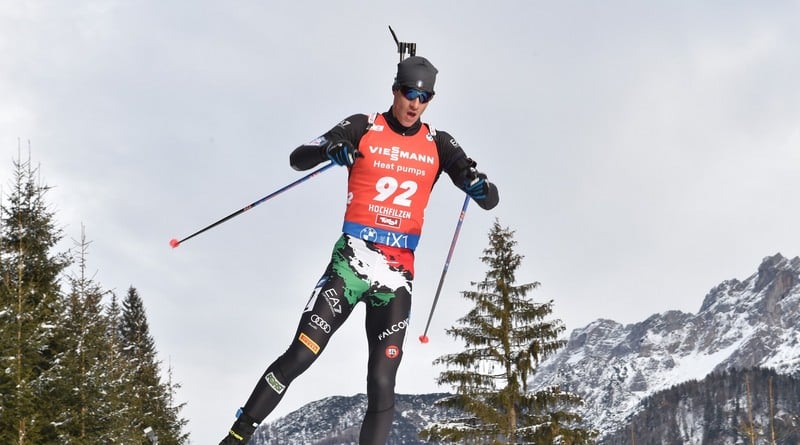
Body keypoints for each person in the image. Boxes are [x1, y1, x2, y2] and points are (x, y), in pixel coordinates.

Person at [219, 55, 499, 445]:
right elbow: (298, 158)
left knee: (382, 382)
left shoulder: (439, 143)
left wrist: (479, 186)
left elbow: (489, 198)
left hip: (396, 280)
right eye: (409, 93)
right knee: (301, 354)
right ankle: (236, 437)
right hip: (349, 266)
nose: (415, 103)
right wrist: (330, 148)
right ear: (395, 90)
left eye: (424, 97)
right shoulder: (363, 126)